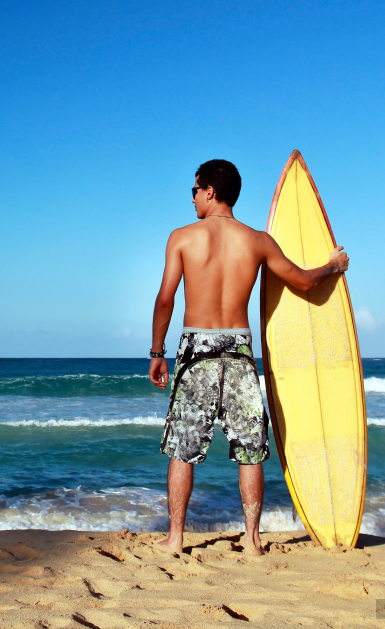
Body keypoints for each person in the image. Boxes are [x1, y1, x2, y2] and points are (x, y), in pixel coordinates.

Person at [148, 159, 349, 556]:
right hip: (240, 349)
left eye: (193, 191)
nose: (191, 199)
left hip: (196, 349)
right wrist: (334, 266)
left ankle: (175, 539)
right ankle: (254, 542)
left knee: (183, 446)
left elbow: (165, 299)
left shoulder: (182, 238)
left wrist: (157, 352)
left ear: (209, 191)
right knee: (250, 447)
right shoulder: (258, 241)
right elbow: (304, 282)